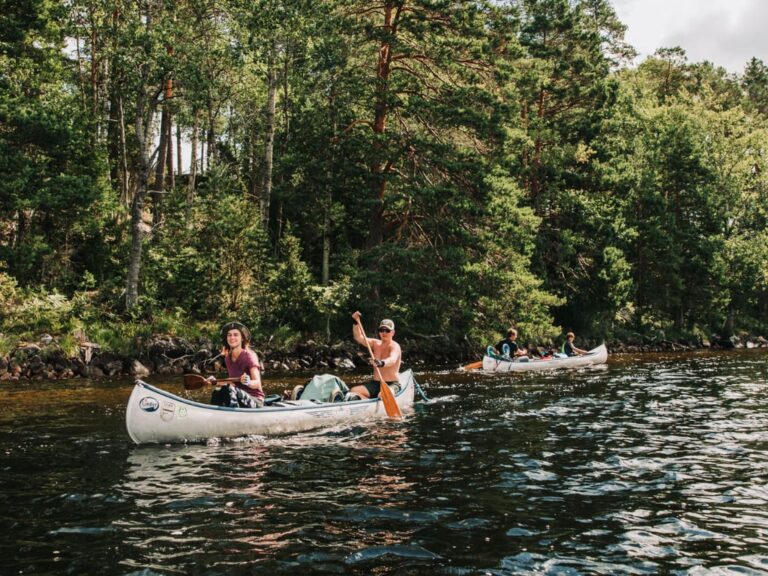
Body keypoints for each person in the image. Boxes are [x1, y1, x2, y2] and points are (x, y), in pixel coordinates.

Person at [210, 321, 265, 408]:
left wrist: (248, 382)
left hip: (255, 400)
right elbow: (232, 382)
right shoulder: (228, 358)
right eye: (229, 335)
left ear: (242, 338)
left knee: (229, 389)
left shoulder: (250, 356)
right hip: (237, 396)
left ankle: (233, 416)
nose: (232, 337)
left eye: (236, 335)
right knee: (217, 391)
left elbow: (257, 383)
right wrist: (215, 382)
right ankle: (213, 413)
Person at [348, 311, 402, 400]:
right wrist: (355, 322)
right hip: (376, 383)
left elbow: (392, 360)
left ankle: (380, 399)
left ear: (393, 332)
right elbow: (358, 337)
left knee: (384, 394)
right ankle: (369, 403)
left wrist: (381, 363)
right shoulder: (375, 343)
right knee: (354, 390)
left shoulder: (395, 346)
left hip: (392, 384)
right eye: (381, 330)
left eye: (387, 330)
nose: (384, 333)